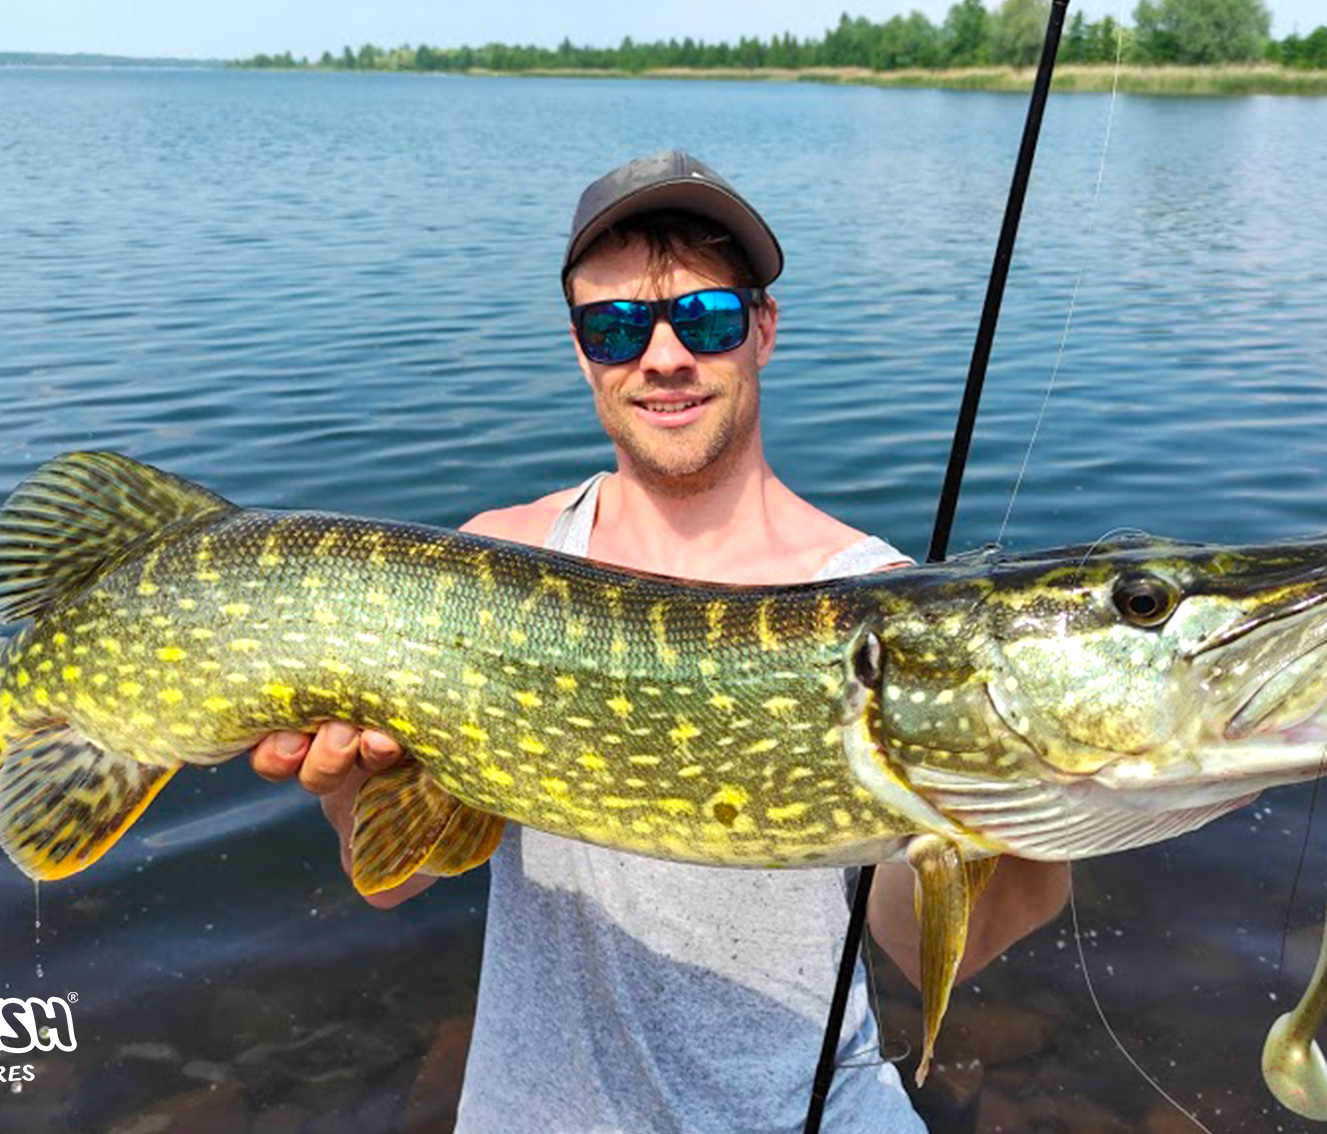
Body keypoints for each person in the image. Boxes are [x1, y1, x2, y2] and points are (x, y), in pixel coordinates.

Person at [250, 151, 1071, 1133]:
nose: (666, 356)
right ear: (580, 349)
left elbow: (925, 937)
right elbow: (400, 874)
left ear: (761, 330)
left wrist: (1038, 799)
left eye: (708, 318)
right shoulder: (492, 564)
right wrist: (351, 793)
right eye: (617, 327)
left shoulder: (885, 608)